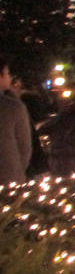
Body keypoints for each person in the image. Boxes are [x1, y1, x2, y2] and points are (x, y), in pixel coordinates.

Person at [0, 55, 32, 183]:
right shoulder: (12, 107)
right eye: (7, 73)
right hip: (8, 176)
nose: (9, 77)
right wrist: (17, 169)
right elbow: (25, 147)